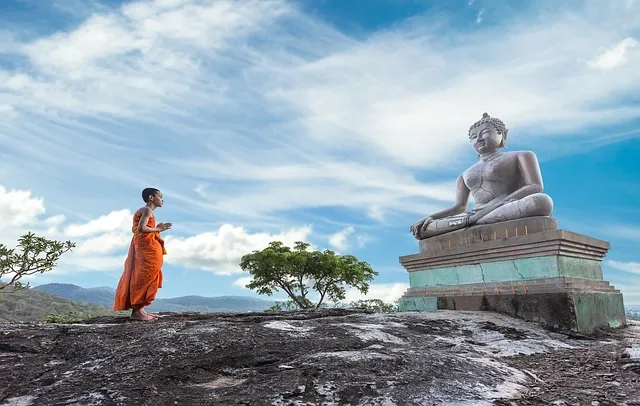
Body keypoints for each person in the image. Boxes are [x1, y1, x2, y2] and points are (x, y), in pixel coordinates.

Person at [410, 113, 553, 240]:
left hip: (504, 207)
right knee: (424, 229)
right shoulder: (464, 174)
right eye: (473, 137)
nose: (478, 139)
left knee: (541, 202)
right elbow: (459, 207)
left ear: (503, 134)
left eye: (484, 133)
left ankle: (470, 222)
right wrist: (432, 217)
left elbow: (535, 186)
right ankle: (471, 221)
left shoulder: (521, 156)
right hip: (472, 214)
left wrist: (496, 205)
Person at [114, 188, 172, 321]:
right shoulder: (147, 210)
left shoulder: (148, 211)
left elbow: (144, 228)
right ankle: (137, 311)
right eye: (160, 197)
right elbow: (141, 228)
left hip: (147, 245)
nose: (162, 200)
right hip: (145, 247)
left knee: (147, 274)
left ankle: (140, 309)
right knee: (143, 275)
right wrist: (159, 228)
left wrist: (157, 227)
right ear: (151, 198)